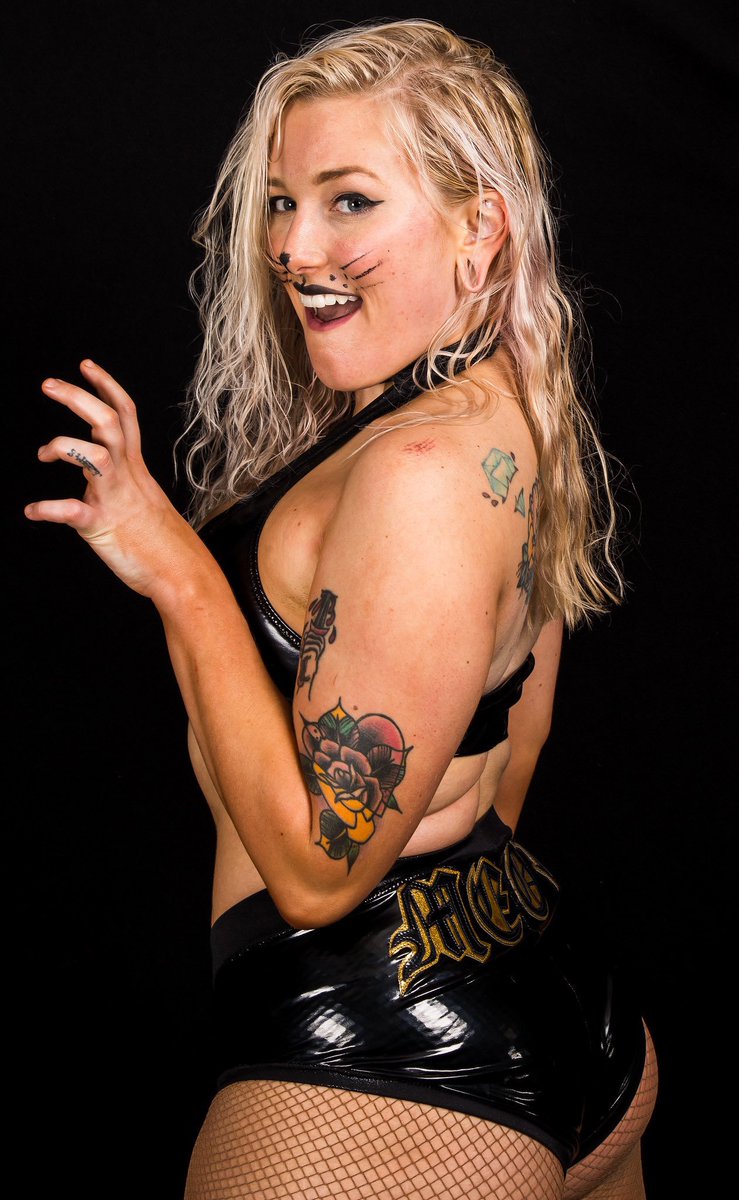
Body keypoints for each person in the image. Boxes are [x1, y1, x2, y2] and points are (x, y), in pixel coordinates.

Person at [25, 18, 657, 1199]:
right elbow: (516, 738)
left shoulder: (420, 472)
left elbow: (321, 878)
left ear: (478, 227)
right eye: (281, 202)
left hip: (387, 1063)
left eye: (349, 200)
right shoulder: (499, 408)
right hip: (524, 977)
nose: (292, 244)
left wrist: (176, 571)